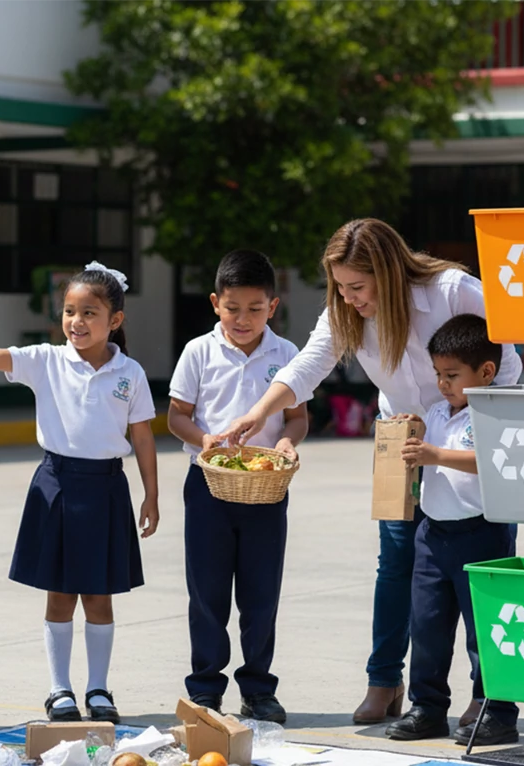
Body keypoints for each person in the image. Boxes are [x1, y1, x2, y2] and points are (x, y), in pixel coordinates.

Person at [221, 219, 522, 732]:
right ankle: (388, 681)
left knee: (481, 575)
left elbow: (507, 362)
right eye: (340, 287)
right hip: (400, 437)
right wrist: (258, 412)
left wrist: (464, 426)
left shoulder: (451, 291)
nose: (349, 298)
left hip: (468, 435)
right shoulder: (346, 311)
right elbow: (309, 366)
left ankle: (489, 696)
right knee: (399, 563)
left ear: (386, 272)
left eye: (357, 287)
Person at [0, 261, 159, 724]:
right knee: (59, 594)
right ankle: (59, 689)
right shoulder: (47, 360)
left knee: (99, 596)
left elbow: (142, 437)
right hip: (56, 485)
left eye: (89, 313)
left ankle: (98, 689)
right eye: (68, 312)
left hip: (106, 488)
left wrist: (151, 495)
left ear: (115, 321)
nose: (76, 322)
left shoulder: (130, 374)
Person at [167, 249, 306, 723]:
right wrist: (205, 441)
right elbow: (176, 417)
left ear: (273, 306)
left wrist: (287, 441)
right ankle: (205, 688)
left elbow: (298, 417)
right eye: (232, 308)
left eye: (254, 308)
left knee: (261, 593)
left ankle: (259, 689)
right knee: (206, 592)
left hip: (266, 489)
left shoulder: (287, 355)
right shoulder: (198, 352)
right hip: (207, 486)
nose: (242, 319)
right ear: (214, 304)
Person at [385, 314, 518, 746]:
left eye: (452, 375)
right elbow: (430, 449)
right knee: (427, 627)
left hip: (482, 536)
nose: (443, 384)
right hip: (433, 535)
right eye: (439, 374)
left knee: (488, 632)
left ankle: (496, 710)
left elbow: (488, 462)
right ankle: (427, 707)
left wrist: (435, 454)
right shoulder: (439, 411)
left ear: (486, 372)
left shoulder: (494, 412)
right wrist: (415, 433)